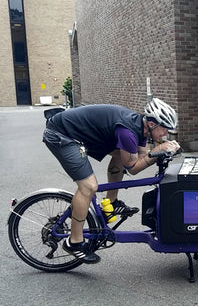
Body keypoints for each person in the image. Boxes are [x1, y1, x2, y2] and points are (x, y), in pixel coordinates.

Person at [43, 98, 180, 263]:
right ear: (151, 124)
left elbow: (141, 157)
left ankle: (111, 202)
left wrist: (160, 153)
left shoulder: (141, 129)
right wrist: (156, 151)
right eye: (165, 129)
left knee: (119, 154)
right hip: (61, 135)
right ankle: (74, 242)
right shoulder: (128, 132)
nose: (166, 134)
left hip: (77, 132)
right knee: (88, 187)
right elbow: (133, 168)